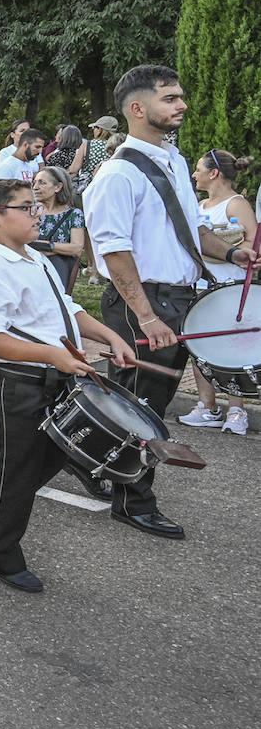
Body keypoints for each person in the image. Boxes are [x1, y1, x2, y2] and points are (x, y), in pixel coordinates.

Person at [83, 64, 257, 539]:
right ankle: (133, 500)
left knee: (142, 404)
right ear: (138, 109)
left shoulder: (175, 162)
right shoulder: (117, 174)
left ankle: (101, 471)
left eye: (180, 97)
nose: (181, 105)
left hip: (177, 299)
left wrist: (234, 252)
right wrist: (145, 315)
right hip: (144, 302)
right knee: (140, 407)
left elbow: (193, 232)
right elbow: (114, 253)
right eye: (170, 98)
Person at [0, 180, 134, 592]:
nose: (38, 213)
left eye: (37, 206)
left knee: (51, 458)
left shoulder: (33, 256)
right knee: (15, 472)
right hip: (12, 385)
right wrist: (53, 355)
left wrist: (109, 336)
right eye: (27, 207)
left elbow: (65, 306)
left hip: (53, 378)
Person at [177, 149, 257, 435]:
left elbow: (252, 246)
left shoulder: (236, 204)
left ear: (214, 173)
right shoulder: (200, 205)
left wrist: (221, 249)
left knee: (230, 349)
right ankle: (206, 406)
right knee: (199, 348)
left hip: (228, 287)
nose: (194, 174)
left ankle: (237, 410)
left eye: (199, 169)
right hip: (201, 286)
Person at [30, 166, 84, 290]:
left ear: (58, 187)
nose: (35, 187)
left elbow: (76, 248)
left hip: (57, 272)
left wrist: (44, 245)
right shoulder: (32, 211)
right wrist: (60, 248)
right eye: (35, 182)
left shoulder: (73, 214)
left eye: (42, 183)